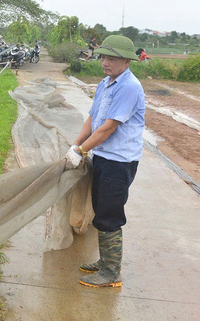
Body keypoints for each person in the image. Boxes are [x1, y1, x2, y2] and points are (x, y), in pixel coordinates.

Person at [65, 35, 145, 288]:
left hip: (119, 161)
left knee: (109, 215)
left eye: (111, 58)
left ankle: (112, 273)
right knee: (101, 209)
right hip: (104, 157)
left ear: (126, 61)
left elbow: (108, 128)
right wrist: (76, 146)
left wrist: (81, 152)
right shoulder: (106, 83)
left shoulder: (129, 87)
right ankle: (106, 261)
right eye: (103, 57)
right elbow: (92, 119)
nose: (105, 62)